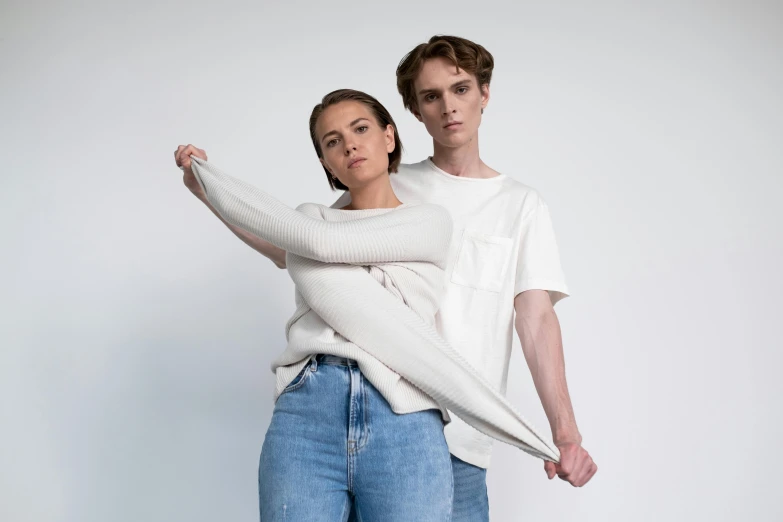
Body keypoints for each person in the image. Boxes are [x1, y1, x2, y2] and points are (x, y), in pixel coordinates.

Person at [175, 89, 563, 522]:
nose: (350, 145)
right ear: (326, 163)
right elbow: (295, 241)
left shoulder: (428, 222)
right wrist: (207, 189)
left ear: (390, 137)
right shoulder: (310, 217)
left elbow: (313, 243)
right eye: (332, 141)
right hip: (306, 415)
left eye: (360, 129)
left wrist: (285, 233)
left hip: (404, 415)